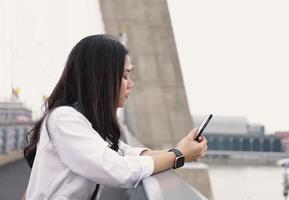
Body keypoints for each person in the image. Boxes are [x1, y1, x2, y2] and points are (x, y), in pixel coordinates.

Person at [23, 34, 208, 200]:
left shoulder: (87, 121)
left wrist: (179, 149)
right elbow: (120, 171)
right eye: (125, 75)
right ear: (103, 77)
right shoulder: (64, 120)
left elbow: (126, 153)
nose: (131, 84)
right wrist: (179, 155)